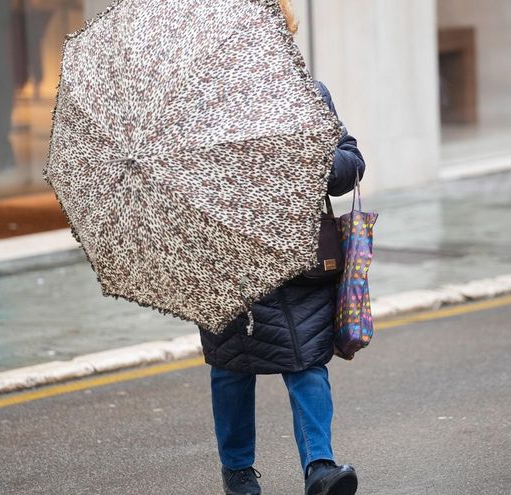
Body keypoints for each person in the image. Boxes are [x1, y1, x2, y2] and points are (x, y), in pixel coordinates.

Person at [197, 2, 364, 494]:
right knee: (231, 369)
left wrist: (317, 162)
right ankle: (238, 474)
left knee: (307, 362)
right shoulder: (205, 108)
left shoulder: (310, 95)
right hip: (230, 259)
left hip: (301, 258)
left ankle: (320, 468)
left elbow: (351, 160)